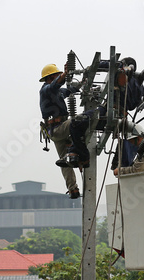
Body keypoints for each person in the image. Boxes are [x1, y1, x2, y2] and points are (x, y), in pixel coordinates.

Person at [39, 63, 92, 199]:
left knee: (65, 161)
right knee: (78, 120)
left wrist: (81, 83)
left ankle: (73, 189)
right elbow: (54, 86)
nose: (60, 79)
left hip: (57, 131)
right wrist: (64, 75)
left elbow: (69, 90)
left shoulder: (56, 92)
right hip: (57, 129)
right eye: (57, 76)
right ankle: (77, 152)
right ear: (50, 77)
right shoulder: (45, 90)